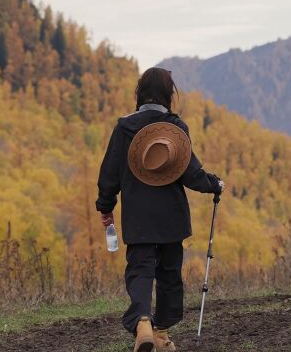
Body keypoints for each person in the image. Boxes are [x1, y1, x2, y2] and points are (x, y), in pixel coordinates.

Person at [95, 67, 223, 352]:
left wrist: (105, 206)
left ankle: (143, 324)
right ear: (169, 94)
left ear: (140, 93)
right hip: (171, 218)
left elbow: (109, 174)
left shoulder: (124, 128)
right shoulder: (174, 128)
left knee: (140, 270)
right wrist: (214, 184)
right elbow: (191, 174)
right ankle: (162, 332)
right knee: (168, 275)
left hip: (138, 217)